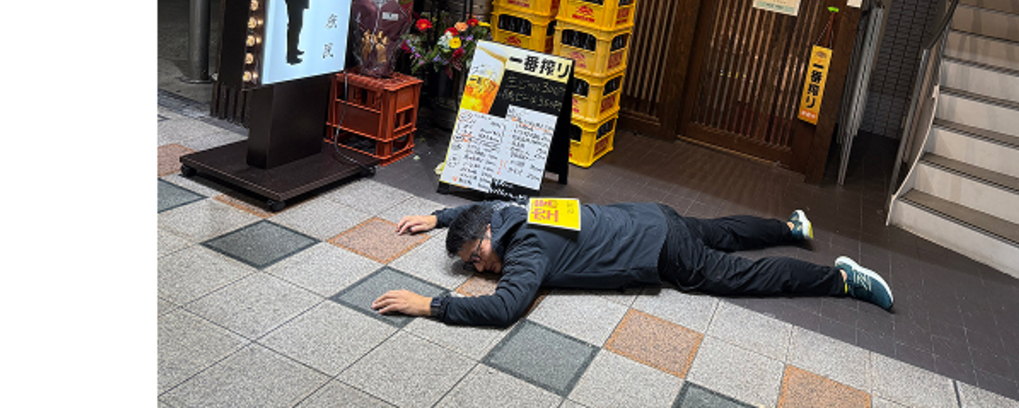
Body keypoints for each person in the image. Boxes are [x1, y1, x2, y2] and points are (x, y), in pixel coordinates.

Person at [371, 201, 893, 327]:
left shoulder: (526, 249)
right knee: (720, 231)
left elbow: (507, 308)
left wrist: (431, 305)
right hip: (652, 218)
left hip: (660, 252)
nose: (483, 270)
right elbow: (479, 204)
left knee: (739, 276)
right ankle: (790, 227)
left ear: (490, 236)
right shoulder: (512, 213)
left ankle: (840, 278)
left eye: (479, 259)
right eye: (474, 266)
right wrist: (439, 218)